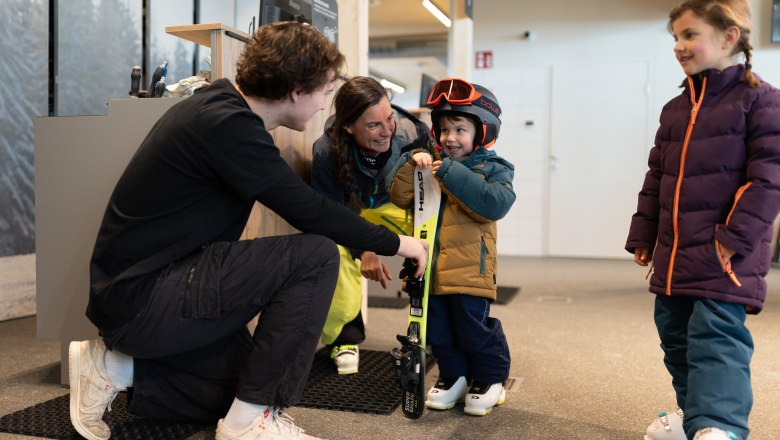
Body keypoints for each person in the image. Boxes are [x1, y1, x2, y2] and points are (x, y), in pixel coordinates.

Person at [68, 21, 428, 440]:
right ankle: (250, 424)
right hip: (143, 298)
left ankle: (114, 367)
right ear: (296, 90)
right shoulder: (226, 124)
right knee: (316, 255)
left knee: (245, 385)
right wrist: (399, 243)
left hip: (151, 291)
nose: (321, 106)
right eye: (324, 92)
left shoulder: (223, 111)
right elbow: (308, 210)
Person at [625, 1, 780, 439]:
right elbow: (658, 176)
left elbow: (769, 179)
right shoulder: (675, 108)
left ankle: (720, 426)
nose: (679, 45)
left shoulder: (763, 101)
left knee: (715, 339)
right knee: (674, 334)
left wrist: (733, 238)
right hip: (674, 252)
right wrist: (645, 234)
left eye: (690, 34)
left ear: (729, 36)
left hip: (724, 250)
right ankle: (693, 416)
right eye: (675, 36)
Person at [388, 78, 516, 416]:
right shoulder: (430, 163)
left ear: (483, 131)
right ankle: (453, 376)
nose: (450, 138)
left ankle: (489, 380)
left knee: (472, 328)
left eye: (460, 129)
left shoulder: (493, 167)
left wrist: (450, 173)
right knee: (437, 331)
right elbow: (399, 196)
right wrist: (410, 165)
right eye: (444, 130)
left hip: (470, 270)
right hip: (429, 268)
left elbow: (494, 204)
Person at [310, 76, 431, 374]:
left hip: (399, 207)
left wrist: (420, 241)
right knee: (333, 249)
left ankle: (435, 329)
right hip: (355, 214)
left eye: (389, 118)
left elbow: (429, 199)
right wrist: (365, 249)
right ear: (349, 127)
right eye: (374, 125)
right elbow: (334, 216)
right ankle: (344, 338)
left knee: (436, 240)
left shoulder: (413, 133)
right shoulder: (326, 151)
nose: (387, 130)